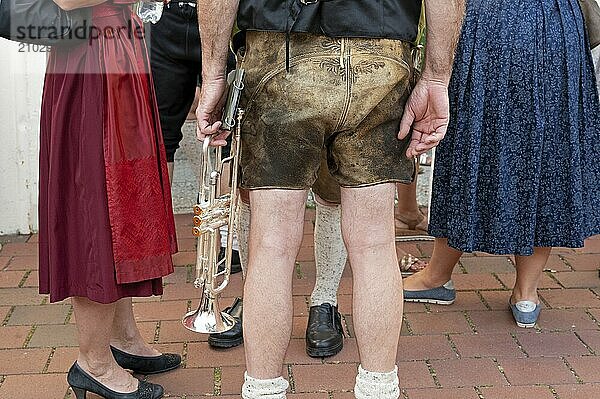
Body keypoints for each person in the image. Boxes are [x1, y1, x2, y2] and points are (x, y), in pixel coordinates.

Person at [196, 1, 463, 398]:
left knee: (271, 246)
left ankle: (263, 390)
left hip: (278, 54)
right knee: (374, 245)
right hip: (382, 53)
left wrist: (213, 71)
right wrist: (437, 77)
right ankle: (378, 390)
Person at [404, 0, 600, 329]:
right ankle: (527, 294)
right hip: (556, 24)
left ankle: (437, 276)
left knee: (471, 143)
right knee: (547, 151)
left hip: (487, 22)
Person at [39, 1, 181, 398]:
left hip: (114, 49)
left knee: (124, 203)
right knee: (96, 209)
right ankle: (93, 361)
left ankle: (123, 340)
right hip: (89, 59)